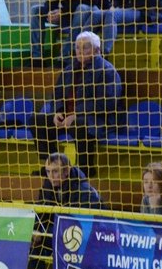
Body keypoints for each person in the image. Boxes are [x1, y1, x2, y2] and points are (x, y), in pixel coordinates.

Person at [32, 31, 122, 177]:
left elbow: (107, 102)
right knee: (37, 120)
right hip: (68, 117)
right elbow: (56, 95)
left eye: (85, 47)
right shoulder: (69, 70)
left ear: (97, 50)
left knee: (79, 124)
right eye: (77, 47)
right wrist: (58, 112)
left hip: (97, 120)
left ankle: (85, 169)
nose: (80, 51)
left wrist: (76, 114)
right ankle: (51, 166)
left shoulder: (107, 71)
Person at [35, 153, 103, 237]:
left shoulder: (83, 191)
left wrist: (43, 235)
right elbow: (41, 213)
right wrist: (36, 230)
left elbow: (86, 225)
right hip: (61, 231)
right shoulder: (48, 186)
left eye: (55, 171)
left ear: (67, 171)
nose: (51, 176)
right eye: (48, 171)